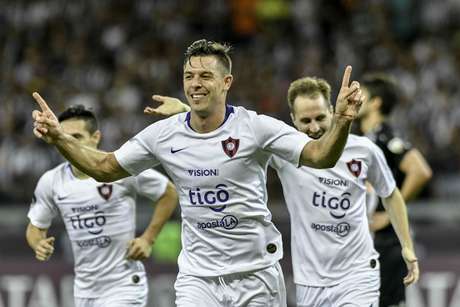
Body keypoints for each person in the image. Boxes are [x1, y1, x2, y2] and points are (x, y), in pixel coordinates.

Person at [31, 39, 364, 307]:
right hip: (197, 279)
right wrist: (58, 137)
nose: (195, 83)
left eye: (205, 76)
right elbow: (105, 168)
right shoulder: (163, 135)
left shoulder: (255, 128)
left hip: (256, 275)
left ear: (226, 82)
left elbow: (320, 156)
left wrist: (343, 122)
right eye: (189, 76)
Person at [147, 76, 420, 307]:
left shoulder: (365, 151)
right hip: (309, 281)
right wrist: (185, 111)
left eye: (321, 118)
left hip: (358, 274)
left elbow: (391, 194)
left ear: (332, 111)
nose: (314, 127)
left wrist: (407, 246)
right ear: (293, 120)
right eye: (306, 120)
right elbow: (228, 132)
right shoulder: (285, 153)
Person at [26, 105, 178, 307]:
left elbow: (168, 192)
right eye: (63, 135)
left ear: (96, 137)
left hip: (124, 285)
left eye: (77, 137)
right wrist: (39, 244)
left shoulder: (118, 169)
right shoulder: (51, 181)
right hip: (84, 290)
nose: (68, 142)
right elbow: (35, 227)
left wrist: (148, 239)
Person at [358, 74, 432, 307]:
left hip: (387, 241)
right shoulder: (367, 139)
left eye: (363, 96)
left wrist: (390, 213)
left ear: (376, 103)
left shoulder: (385, 137)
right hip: (370, 240)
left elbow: (420, 170)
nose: (356, 99)